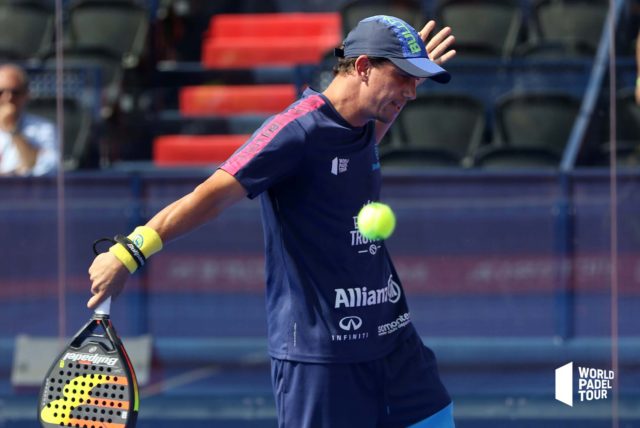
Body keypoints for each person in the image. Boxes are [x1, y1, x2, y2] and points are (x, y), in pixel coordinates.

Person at [88, 15, 457, 428]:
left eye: (415, 80)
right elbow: (207, 198)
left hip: (393, 338)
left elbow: (352, 150)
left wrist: (399, 93)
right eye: (403, 77)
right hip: (322, 355)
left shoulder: (363, 126)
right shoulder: (292, 132)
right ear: (363, 67)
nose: (412, 92)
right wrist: (131, 250)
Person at [0, 64, 58, 176]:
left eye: (15, 92)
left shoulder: (44, 128)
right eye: (0, 92)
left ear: (26, 94)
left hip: (26, 192)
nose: (8, 98)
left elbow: (46, 168)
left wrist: (13, 129)